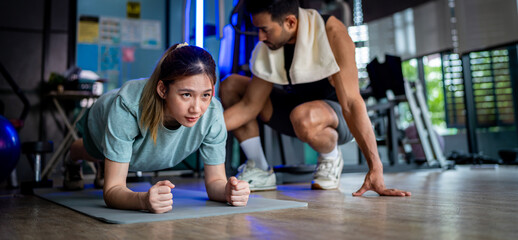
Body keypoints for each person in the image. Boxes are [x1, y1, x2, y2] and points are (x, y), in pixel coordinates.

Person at [219, 0, 410, 196]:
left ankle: (330, 157)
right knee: (232, 85)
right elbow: (249, 106)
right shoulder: (270, 46)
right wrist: (199, 130)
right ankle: (260, 167)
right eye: (257, 29)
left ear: (290, 22)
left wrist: (375, 168)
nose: (260, 37)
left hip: (337, 116)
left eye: (265, 30)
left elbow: (351, 104)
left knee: (304, 115)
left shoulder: (332, 33)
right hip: (296, 113)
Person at [63, 43, 250, 213]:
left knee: (114, 159)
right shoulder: (127, 107)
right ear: (162, 89)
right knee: (94, 152)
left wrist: (228, 191)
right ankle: (73, 158)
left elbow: (215, 181)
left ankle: (110, 163)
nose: (197, 108)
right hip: (102, 120)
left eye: (205, 95)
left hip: (138, 146)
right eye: (186, 94)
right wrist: (142, 200)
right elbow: (112, 190)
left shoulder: (212, 112)